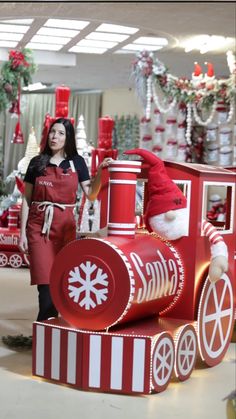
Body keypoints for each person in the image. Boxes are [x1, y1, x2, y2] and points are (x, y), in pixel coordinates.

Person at [19, 117, 112, 321]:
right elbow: (26, 199)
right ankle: (46, 328)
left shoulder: (77, 163)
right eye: (53, 132)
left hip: (65, 229)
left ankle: (51, 328)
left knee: (61, 279)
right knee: (46, 283)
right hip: (39, 227)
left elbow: (91, 194)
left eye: (61, 133)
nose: (55, 136)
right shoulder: (37, 162)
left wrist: (101, 173)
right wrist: (22, 233)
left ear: (68, 137)